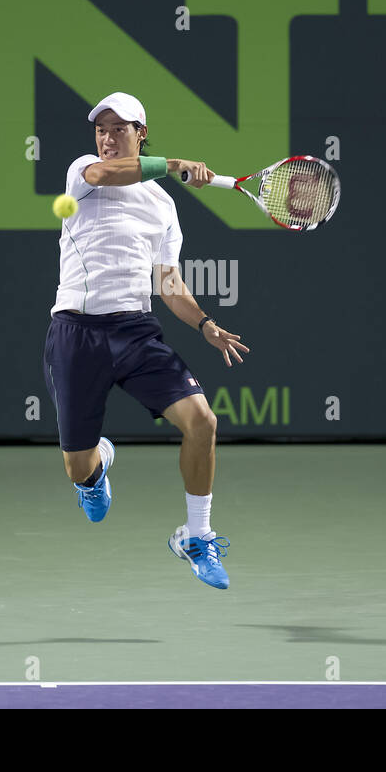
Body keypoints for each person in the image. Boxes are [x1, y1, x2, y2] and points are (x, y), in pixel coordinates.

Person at [43, 91, 249, 590]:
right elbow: (109, 173)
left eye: (120, 129)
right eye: (102, 129)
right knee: (77, 466)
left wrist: (205, 324)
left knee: (202, 420)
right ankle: (96, 469)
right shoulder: (84, 172)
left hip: (136, 332)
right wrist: (175, 163)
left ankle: (195, 536)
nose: (108, 138)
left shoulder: (162, 206)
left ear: (141, 134)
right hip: (77, 333)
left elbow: (169, 284)